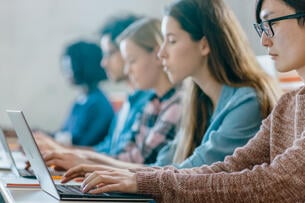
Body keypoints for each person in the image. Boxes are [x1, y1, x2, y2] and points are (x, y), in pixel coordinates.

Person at [61, 0, 305, 202]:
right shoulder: (287, 105)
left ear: (205, 44)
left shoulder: (247, 101)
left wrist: (133, 178)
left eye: (271, 23)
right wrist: (130, 177)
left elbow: (277, 183)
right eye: (261, 28)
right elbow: (229, 167)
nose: (264, 41)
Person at [42, 18, 183, 170]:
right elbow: (116, 152)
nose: (103, 63)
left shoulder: (165, 104)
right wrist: (65, 153)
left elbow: (140, 164)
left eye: (131, 60)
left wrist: (75, 157)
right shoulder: (148, 103)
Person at [34, 15, 154, 156]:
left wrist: (63, 151)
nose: (103, 63)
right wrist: (60, 151)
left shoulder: (148, 104)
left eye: (109, 53)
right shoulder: (128, 102)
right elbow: (107, 149)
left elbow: (123, 159)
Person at [35, 41, 114, 147]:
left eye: (69, 67)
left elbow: (82, 143)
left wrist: (48, 140)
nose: (66, 73)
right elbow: (65, 133)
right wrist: (42, 136)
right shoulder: (80, 101)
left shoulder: (99, 104)